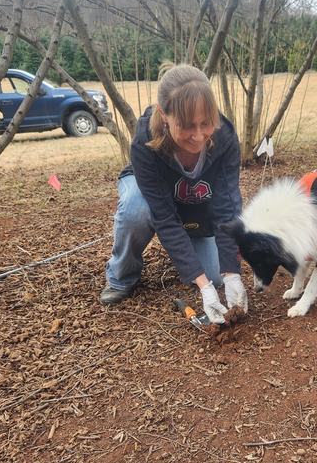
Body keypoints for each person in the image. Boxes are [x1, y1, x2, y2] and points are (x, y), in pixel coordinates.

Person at [101, 63, 248, 324]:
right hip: (150, 193)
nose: (199, 135)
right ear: (164, 115)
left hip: (193, 202)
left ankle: (189, 253)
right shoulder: (145, 141)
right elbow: (165, 218)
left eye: (206, 123)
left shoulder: (224, 137)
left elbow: (227, 208)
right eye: (187, 126)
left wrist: (231, 274)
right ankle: (121, 276)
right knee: (137, 209)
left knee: (215, 275)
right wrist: (202, 287)